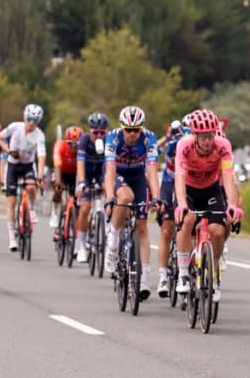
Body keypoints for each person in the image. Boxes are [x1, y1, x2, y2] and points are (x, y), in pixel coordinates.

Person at [173, 109, 241, 302]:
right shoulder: (184, 146)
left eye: (210, 136)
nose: (207, 141)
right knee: (188, 220)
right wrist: (182, 204)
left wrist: (233, 205)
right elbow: (179, 176)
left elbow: (228, 176)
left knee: (217, 231)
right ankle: (184, 273)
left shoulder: (223, 146)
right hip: (189, 189)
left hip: (211, 189)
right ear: (194, 135)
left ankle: (214, 270)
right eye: (203, 137)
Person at [103, 105, 160, 300]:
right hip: (117, 174)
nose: (132, 134)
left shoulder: (149, 138)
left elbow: (152, 170)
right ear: (122, 127)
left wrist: (157, 196)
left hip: (137, 176)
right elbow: (110, 169)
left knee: (142, 225)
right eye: (128, 129)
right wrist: (110, 196)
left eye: (137, 130)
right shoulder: (113, 137)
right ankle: (113, 238)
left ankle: (143, 279)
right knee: (126, 198)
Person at [0, 104, 47, 252]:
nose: (31, 123)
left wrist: (39, 175)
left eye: (35, 120)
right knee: (11, 201)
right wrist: (8, 150)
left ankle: (31, 209)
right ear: (24, 117)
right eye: (29, 119)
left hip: (27, 165)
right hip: (12, 166)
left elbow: (41, 156)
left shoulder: (39, 135)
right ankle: (12, 238)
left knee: (32, 186)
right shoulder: (15, 127)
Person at [73, 112, 110, 263]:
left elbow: (111, 166)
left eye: (102, 133)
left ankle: (108, 228)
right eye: (96, 133)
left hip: (101, 171)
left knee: (110, 191)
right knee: (85, 207)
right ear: (90, 131)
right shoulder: (84, 140)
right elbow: (80, 163)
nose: (99, 136)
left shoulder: (109, 141)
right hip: (86, 173)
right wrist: (82, 183)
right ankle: (81, 245)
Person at [155, 120, 184, 298]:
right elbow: (152, 151)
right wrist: (166, 139)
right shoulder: (172, 145)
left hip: (188, 182)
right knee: (167, 229)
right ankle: (163, 277)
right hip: (169, 183)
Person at [50, 126, 82, 231]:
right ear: (65, 141)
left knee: (78, 200)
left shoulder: (82, 150)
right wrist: (58, 182)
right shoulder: (60, 145)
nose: (73, 147)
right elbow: (57, 165)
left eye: (76, 144)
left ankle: (75, 225)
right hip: (61, 172)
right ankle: (55, 212)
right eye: (70, 144)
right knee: (58, 188)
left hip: (75, 174)